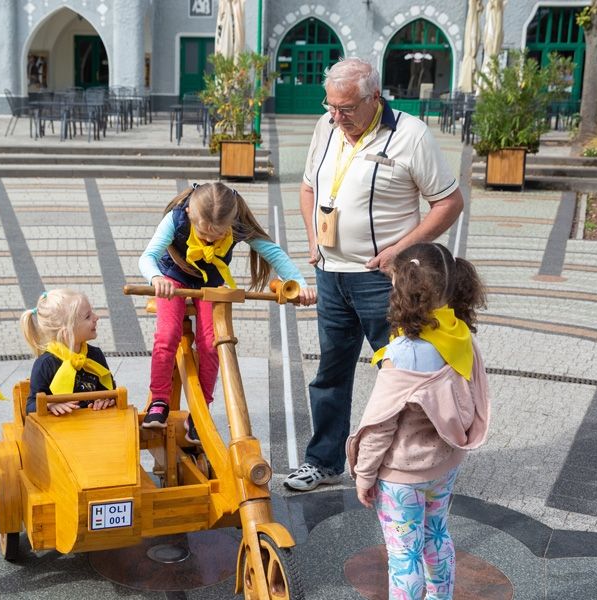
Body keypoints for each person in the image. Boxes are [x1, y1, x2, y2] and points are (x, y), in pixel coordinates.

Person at [285, 57, 464, 491]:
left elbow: (449, 202)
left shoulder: (411, 135)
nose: (336, 116)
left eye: (346, 108)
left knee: (402, 373)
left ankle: (406, 463)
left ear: (374, 98)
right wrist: (313, 238)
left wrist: (399, 251)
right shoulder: (326, 127)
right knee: (330, 372)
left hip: (383, 281)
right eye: (330, 106)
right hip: (331, 275)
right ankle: (323, 462)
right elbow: (308, 187)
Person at [347, 242, 490, 600]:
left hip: (402, 477)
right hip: (444, 465)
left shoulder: (403, 353)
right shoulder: (459, 334)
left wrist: (364, 475)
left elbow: (380, 426)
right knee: (436, 535)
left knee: (403, 555)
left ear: (404, 290)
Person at [138, 182, 316, 444]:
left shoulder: (237, 222)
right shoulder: (176, 218)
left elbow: (273, 253)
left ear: (230, 223)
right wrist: (156, 278)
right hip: (172, 279)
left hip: (210, 284)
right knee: (167, 335)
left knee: (212, 344)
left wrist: (300, 283)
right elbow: (147, 257)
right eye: (204, 233)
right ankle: (159, 401)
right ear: (189, 213)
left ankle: (201, 412)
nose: (210, 240)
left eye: (218, 235)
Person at [20, 289, 116, 415]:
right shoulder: (46, 364)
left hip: (94, 423)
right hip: (59, 426)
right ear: (66, 331)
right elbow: (30, 407)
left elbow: (111, 390)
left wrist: (106, 399)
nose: (96, 317)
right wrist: (49, 404)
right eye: (88, 316)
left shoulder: (95, 355)